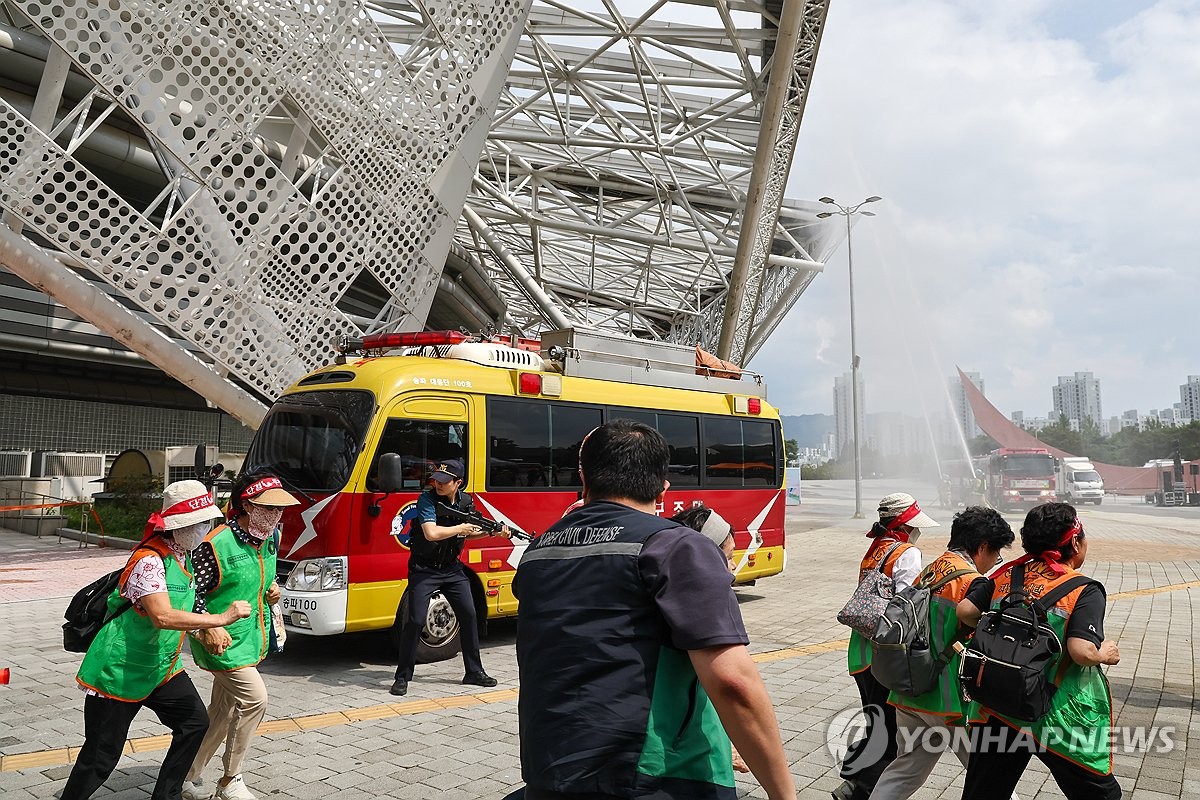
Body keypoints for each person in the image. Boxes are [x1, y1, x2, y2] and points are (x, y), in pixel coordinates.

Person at [513, 419, 796, 800]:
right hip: (653, 778)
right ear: (663, 488)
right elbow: (733, 683)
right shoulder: (675, 547)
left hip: (550, 772)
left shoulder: (539, 550)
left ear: (584, 478)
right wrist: (784, 794)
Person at [63, 481, 251, 800]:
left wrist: (204, 631)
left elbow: (182, 606)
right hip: (120, 669)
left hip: (161, 666)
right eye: (195, 524)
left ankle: (167, 795)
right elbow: (162, 616)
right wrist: (219, 619)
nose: (203, 529)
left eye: (206, 522)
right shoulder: (149, 560)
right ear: (174, 526)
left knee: (194, 723)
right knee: (101, 755)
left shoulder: (184, 556)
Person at [956, 503, 1122, 800]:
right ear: (1074, 542)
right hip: (1054, 715)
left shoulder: (1007, 574)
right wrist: (1105, 653)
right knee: (1102, 795)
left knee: (984, 793)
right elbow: (1081, 651)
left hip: (997, 704)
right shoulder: (1083, 589)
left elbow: (966, 610)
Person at [868, 507, 1016, 800]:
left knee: (905, 770)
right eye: (995, 554)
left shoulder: (930, 569)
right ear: (983, 547)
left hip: (908, 690)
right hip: (947, 700)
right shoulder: (972, 583)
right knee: (989, 775)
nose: (993, 562)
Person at [182, 473, 298, 800]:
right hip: (221, 641)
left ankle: (186, 774)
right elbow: (192, 593)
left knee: (222, 711)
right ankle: (230, 779)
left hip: (251, 637)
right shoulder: (215, 543)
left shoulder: (270, 537)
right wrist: (209, 624)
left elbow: (262, 578)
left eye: (279, 510)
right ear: (247, 505)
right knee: (255, 699)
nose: (275, 516)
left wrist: (270, 591)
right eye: (267, 509)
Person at [836, 493, 935, 800]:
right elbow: (906, 605)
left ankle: (852, 778)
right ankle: (858, 788)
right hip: (885, 653)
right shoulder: (906, 552)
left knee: (875, 721)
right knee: (888, 732)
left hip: (860, 650)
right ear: (907, 525)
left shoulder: (878, 546)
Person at [390, 458, 509, 696]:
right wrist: (461, 529)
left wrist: (493, 532)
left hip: (452, 569)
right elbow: (431, 533)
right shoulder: (427, 499)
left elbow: (469, 533)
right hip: (424, 569)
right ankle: (402, 676)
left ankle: (474, 672)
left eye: (444, 482)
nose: (438, 484)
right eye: (436, 480)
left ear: (458, 483)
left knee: (469, 615)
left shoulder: (466, 502)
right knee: (414, 620)